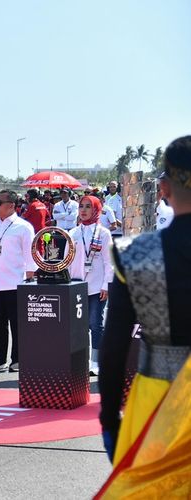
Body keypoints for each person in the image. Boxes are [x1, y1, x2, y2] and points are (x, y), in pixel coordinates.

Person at [96, 136, 191, 496]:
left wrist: (109, 417)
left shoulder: (137, 254)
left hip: (158, 401)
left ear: (164, 186)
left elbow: (114, 345)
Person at [0, 189, 36, 372]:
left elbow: (30, 256)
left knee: (17, 323)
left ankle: (18, 359)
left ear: (11, 205)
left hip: (15, 283)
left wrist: (29, 281)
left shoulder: (23, 227)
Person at [68, 195, 114, 376]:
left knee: (96, 325)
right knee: (80, 326)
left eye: (88, 207)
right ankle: (81, 361)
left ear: (96, 210)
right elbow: (67, 261)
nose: (84, 210)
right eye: (81, 206)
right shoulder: (73, 233)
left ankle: (96, 362)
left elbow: (109, 262)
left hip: (97, 288)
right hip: (77, 287)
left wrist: (106, 285)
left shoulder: (103, 233)